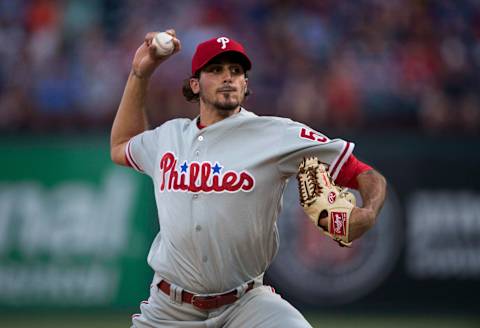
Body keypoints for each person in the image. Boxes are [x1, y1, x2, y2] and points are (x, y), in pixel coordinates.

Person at [110, 29, 387, 328]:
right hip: (169, 311)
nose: (227, 77)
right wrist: (139, 74)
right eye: (215, 70)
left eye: (235, 70)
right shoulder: (168, 137)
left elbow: (363, 173)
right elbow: (121, 145)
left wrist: (369, 212)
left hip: (246, 305)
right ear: (195, 84)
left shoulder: (277, 134)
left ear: (245, 84)